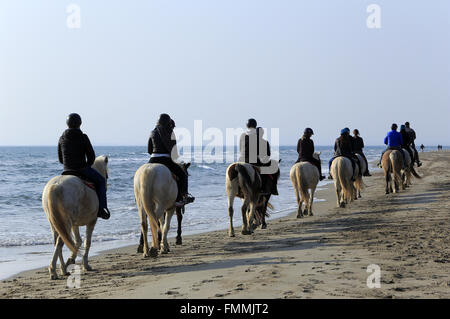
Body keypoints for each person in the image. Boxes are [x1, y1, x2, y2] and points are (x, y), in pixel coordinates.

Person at [58, 113, 111, 220]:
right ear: (80, 123)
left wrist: (68, 165)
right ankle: (102, 209)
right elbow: (91, 156)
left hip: (66, 170)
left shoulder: (61, 138)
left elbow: (60, 159)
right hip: (81, 169)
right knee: (101, 181)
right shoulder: (83, 137)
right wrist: (86, 165)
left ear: (67, 124)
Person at [147, 113, 194, 207]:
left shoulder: (152, 132)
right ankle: (182, 197)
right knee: (183, 174)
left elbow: (149, 150)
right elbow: (174, 152)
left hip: (152, 159)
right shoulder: (170, 132)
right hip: (165, 159)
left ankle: (137, 198)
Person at [239, 119, 278, 195]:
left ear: (246, 126)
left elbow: (240, 149)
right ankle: (265, 188)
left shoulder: (242, 135)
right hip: (254, 160)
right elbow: (265, 154)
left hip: (242, 159)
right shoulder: (260, 139)